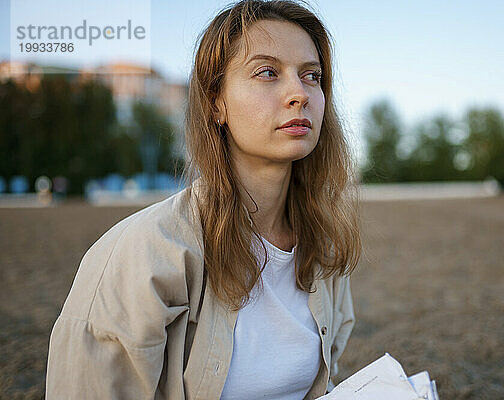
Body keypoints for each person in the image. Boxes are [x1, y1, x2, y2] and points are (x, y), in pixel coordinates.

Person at [45, 1, 362, 398]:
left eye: (311, 76)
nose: (299, 93)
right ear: (216, 103)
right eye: (267, 72)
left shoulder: (324, 248)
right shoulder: (143, 253)